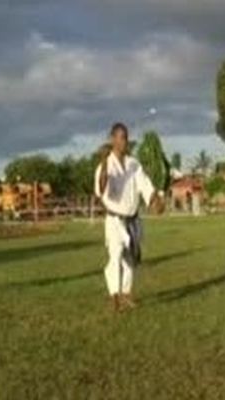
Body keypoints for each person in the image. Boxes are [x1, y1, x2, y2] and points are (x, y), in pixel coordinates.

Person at [94, 122, 165, 311]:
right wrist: (103, 164)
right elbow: (101, 190)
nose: (125, 141)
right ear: (113, 139)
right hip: (115, 220)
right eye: (122, 137)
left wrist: (154, 199)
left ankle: (126, 293)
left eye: (126, 137)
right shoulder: (106, 165)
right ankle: (114, 295)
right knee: (115, 256)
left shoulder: (134, 164)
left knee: (130, 260)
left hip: (133, 220)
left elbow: (144, 185)